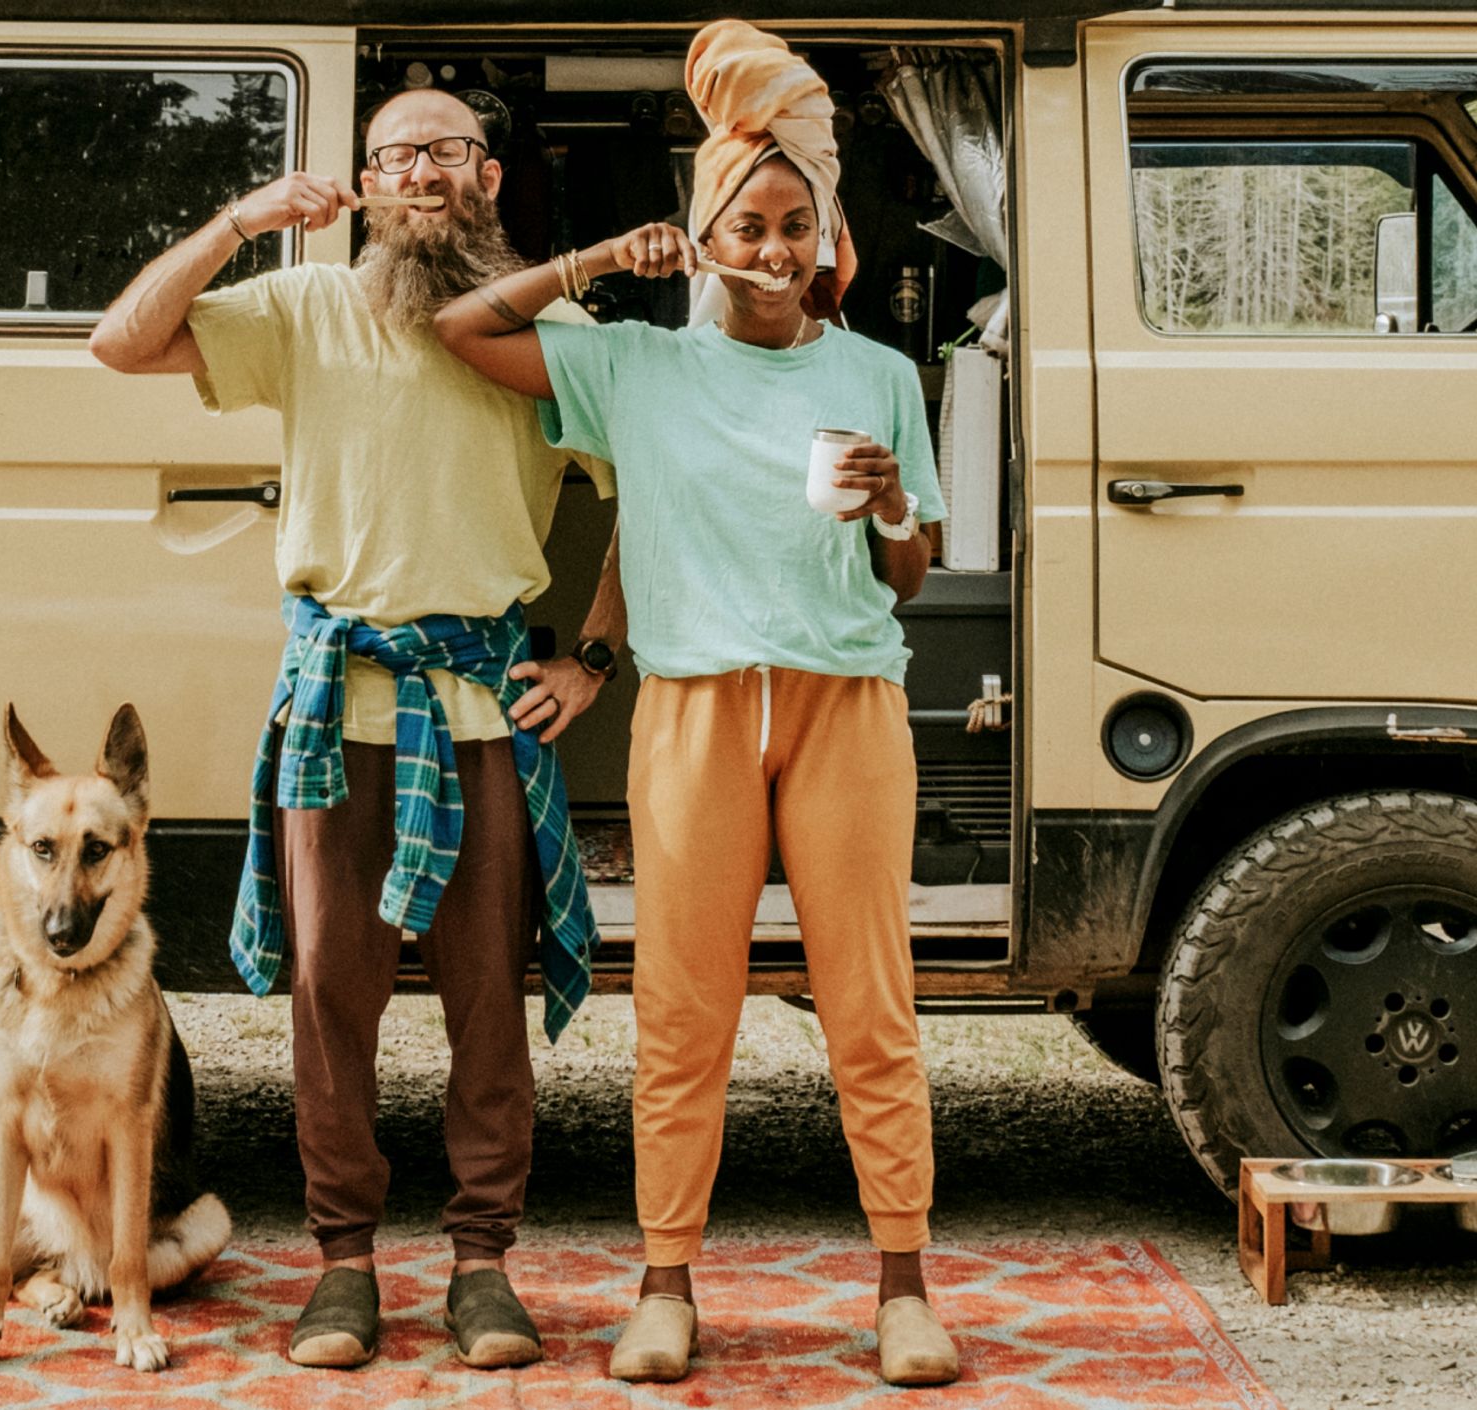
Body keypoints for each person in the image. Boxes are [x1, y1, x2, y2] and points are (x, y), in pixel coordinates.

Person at [433, 20, 961, 1390]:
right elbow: (460, 325)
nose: (777, 250)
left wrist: (894, 501)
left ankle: (905, 1288)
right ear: (706, 230)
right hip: (694, 710)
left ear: (825, 232)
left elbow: (908, 573)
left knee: (873, 1007)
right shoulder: (636, 369)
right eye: (750, 222)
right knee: (681, 1008)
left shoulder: (881, 378)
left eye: (798, 224)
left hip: (847, 703)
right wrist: (612, 257)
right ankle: (664, 1285)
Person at [89, 87, 612, 1372]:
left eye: (444, 151)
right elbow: (120, 341)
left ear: (487, 178)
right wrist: (240, 220)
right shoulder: (304, 307)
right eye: (394, 153)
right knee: (333, 996)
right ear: (365, 180)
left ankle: (483, 1267)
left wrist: (593, 656)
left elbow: (659, 488)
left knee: (490, 999)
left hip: (482, 706)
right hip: (335, 708)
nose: (420, 172)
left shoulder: (559, 327)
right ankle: (344, 1268)